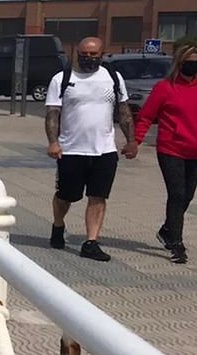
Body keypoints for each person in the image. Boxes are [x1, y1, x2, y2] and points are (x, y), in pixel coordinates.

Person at [45, 37, 132, 262]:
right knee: (66, 196)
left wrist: (131, 140)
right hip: (71, 149)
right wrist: (53, 142)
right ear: (77, 53)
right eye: (84, 53)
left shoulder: (113, 78)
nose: (89, 58)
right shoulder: (62, 78)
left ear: (102, 54)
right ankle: (58, 225)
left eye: (94, 54)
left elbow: (123, 110)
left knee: (98, 196)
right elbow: (53, 113)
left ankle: (91, 242)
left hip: (104, 150)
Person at [126, 43, 197, 265]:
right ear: (179, 63)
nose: (192, 65)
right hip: (171, 149)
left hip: (195, 151)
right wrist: (135, 141)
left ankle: (167, 229)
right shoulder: (164, 88)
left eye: (196, 62)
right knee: (177, 194)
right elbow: (147, 116)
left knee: (187, 196)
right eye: (189, 61)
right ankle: (176, 242)